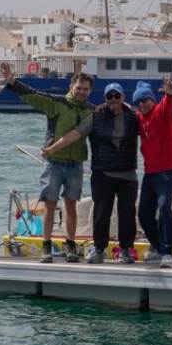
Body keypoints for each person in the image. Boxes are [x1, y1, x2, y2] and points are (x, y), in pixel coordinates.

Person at [0, 62, 93, 263]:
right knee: (50, 205)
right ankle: (47, 246)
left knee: (71, 206)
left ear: (90, 91)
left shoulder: (90, 111)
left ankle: (70, 245)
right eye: (79, 88)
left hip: (76, 164)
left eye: (86, 89)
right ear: (71, 87)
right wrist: (11, 80)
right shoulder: (56, 103)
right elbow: (33, 95)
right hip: (54, 163)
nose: (82, 92)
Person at [42, 83, 139, 265]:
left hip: (127, 174)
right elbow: (74, 135)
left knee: (127, 214)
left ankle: (126, 250)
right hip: (103, 173)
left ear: (123, 97)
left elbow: (152, 128)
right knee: (101, 214)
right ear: (104, 98)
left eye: (116, 96)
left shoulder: (133, 116)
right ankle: (99, 249)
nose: (113, 100)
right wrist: (52, 149)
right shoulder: (95, 116)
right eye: (109, 96)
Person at [133, 78, 172, 268]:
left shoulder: (161, 113)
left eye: (144, 100)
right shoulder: (139, 118)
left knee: (163, 208)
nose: (141, 105)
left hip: (169, 170)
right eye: (138, 102)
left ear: (152, 100)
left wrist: (170, 93)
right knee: (144, 215)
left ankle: (168, 252)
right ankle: (158, 247)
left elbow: (168, 103)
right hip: (151, 172)